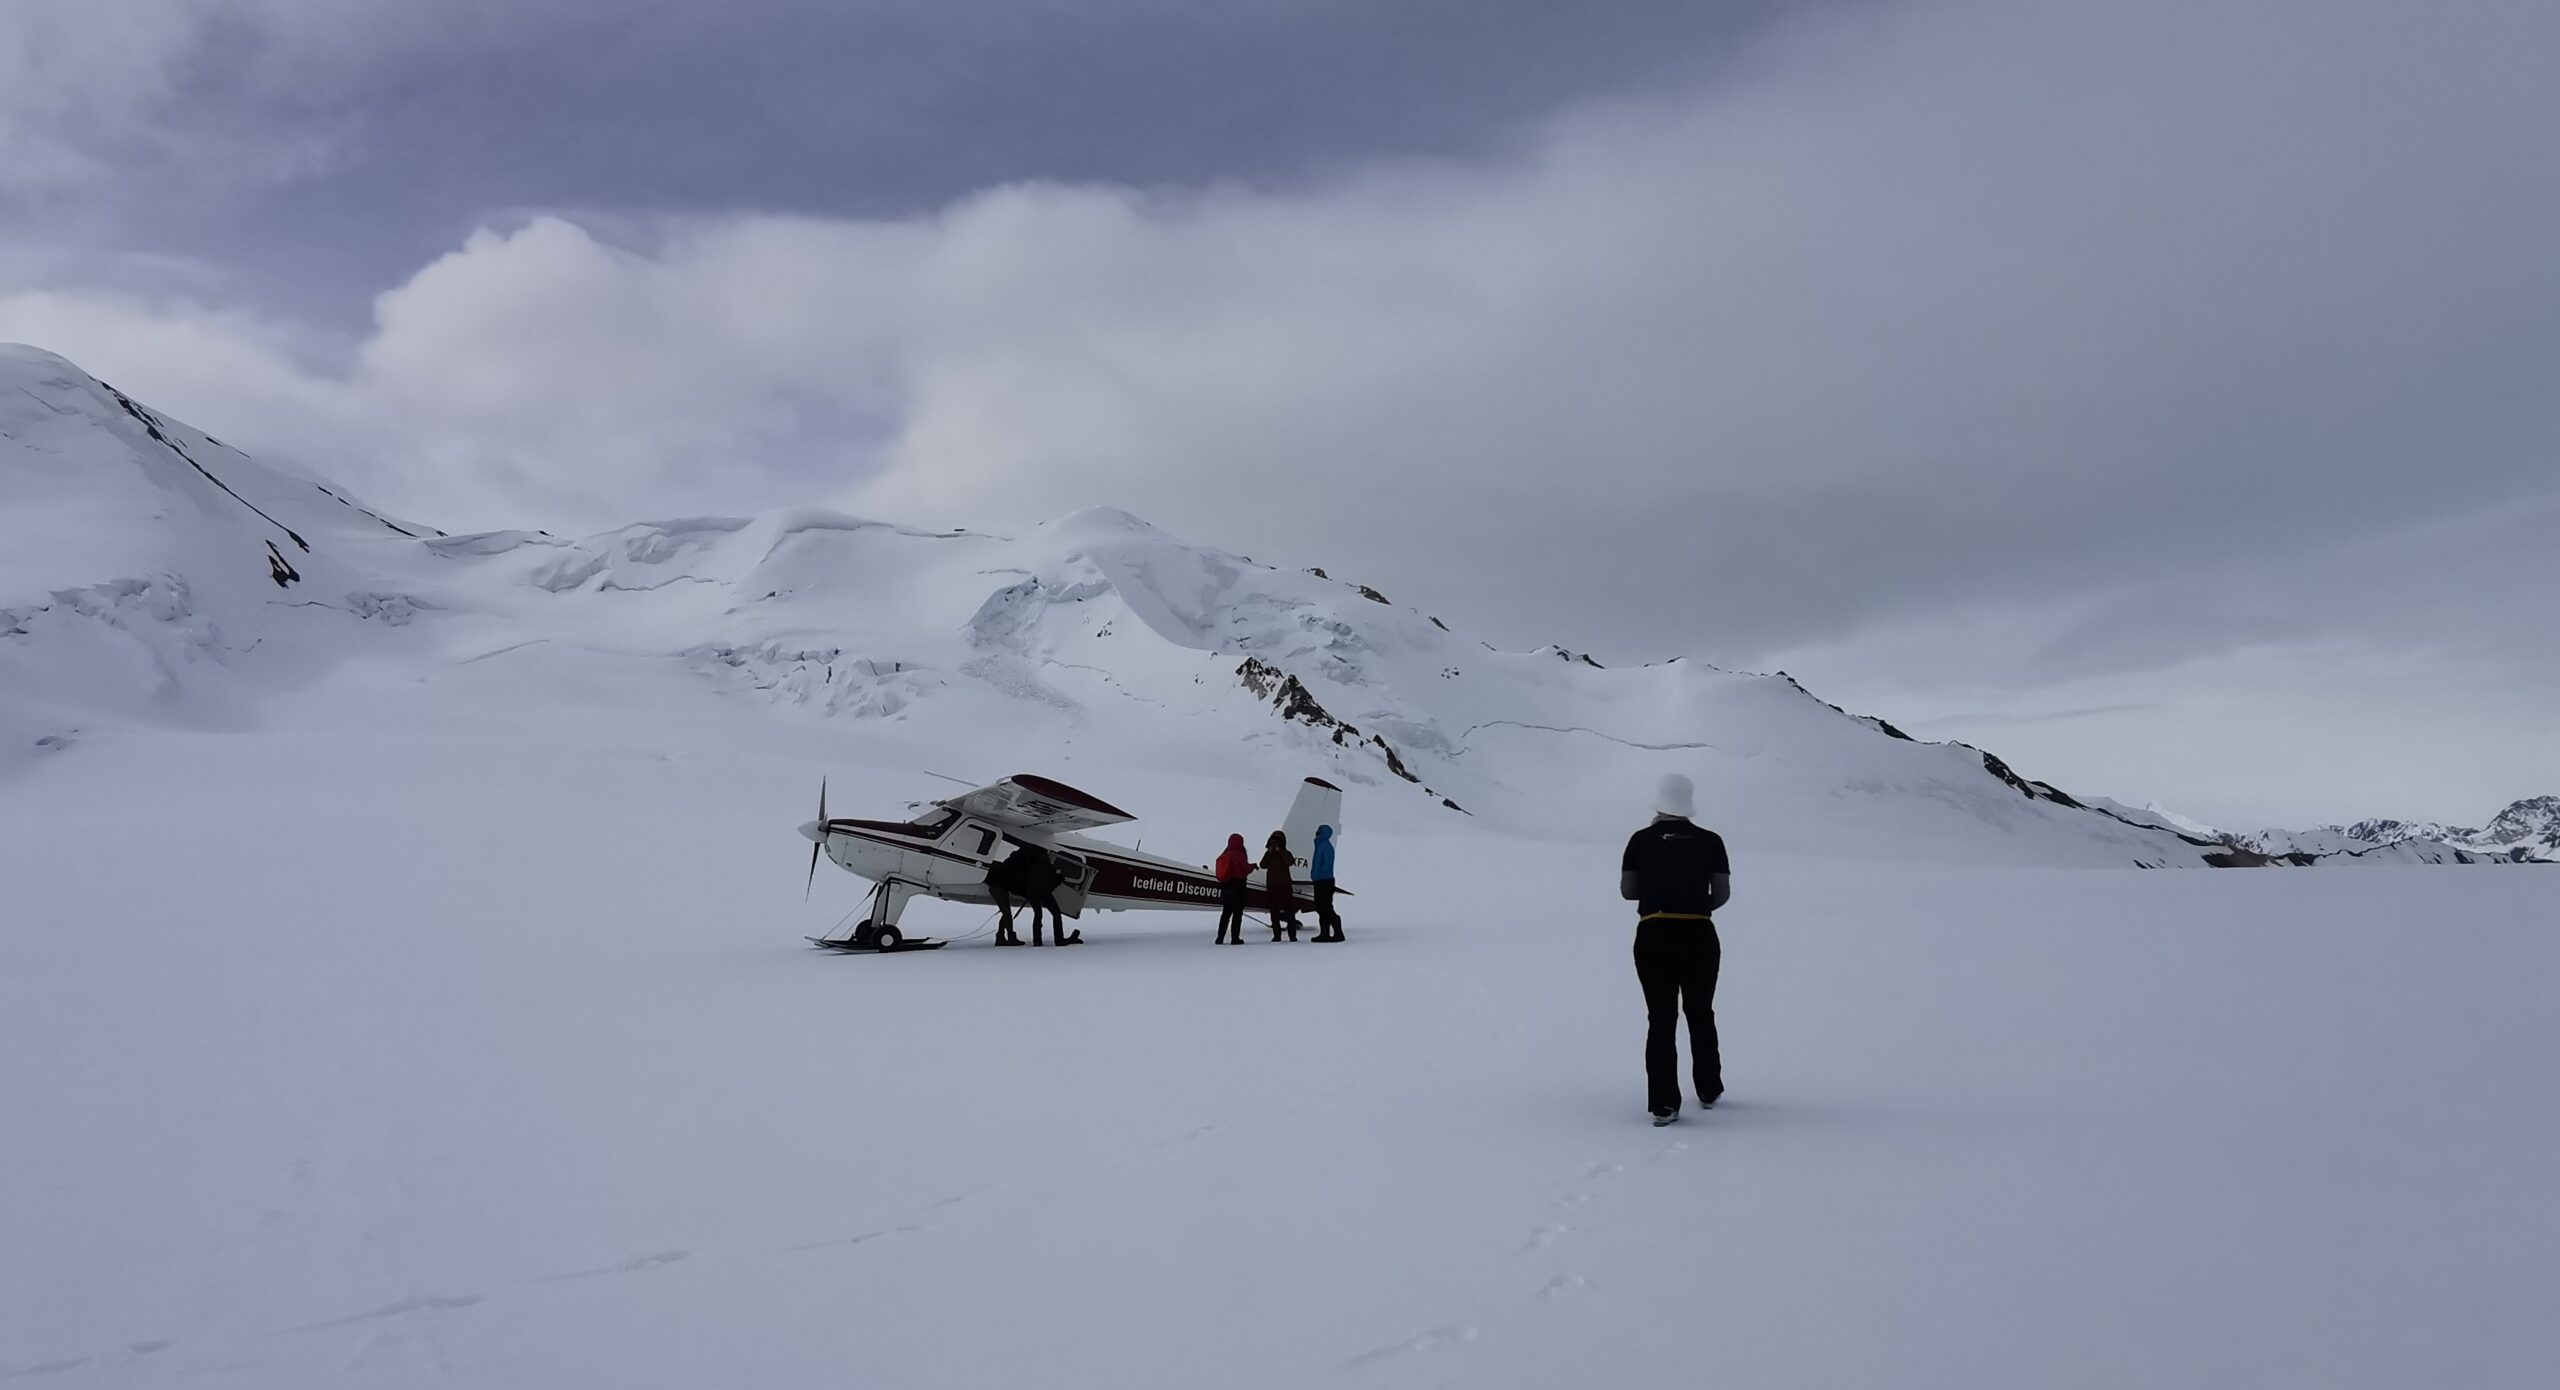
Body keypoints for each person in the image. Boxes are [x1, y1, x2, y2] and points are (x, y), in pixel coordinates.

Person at [1620, 773, 1732, 1125]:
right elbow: (1723, 893)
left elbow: (1628, 891)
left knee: (1661, 1017)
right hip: (1699, 932)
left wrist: (1659, 892)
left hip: (1653, 931)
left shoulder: (1640, 840)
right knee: (1700, 1012)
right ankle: (1709, 1088)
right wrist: (1697, 905)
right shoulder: (1711, 841)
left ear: (1658, 803)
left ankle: (1664, 1103)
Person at [1260, 831, 1301, 942]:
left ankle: (1292, 935)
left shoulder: (1285, 853)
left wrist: (1279, 850)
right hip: (1275, 885)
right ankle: (1277, 935)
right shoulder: (1269, 854)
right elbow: (1262, 865)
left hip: (1283, 885)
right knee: (1275, 912)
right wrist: (1270, 852)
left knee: (1288, 911)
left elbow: (1290, 861)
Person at [1214, 833, 1252, 944]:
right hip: (1239, 887)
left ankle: (1220, 938)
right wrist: (1253, 866)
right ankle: (1235, 938)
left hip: (1226, 887)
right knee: (1237, 914)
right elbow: (1246, 869)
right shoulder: (1240, 854)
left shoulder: (1225, 853)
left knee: (1225, 914)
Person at [986, 849, 1029, 946]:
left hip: (997, 887)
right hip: (999, 888)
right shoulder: (1016, 865)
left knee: (1006, 913)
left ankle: (1001, 936)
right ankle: (1009, 937)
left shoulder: (1010, 862)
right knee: (1007, 913)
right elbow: (1014, 882)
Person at [1308, 824, 1343, 942]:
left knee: (1325, 907)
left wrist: (1318, 873)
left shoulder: (1325, 846)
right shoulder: (1320, 846)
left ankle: (1337, 932)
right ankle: (1324, 933)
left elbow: (1327, 864)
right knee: (1320, 907)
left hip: (1325, 881)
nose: (1316, 833)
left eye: (1319, 831)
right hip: (1320, 880)